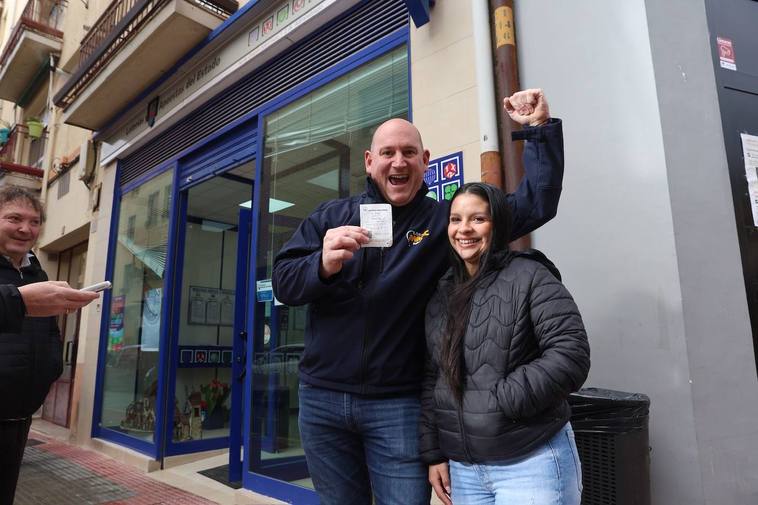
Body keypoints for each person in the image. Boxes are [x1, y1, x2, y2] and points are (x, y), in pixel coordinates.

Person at [272, 89, 563, 504]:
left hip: (398, 405)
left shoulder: (445, 222)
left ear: (425, 161)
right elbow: (283, 282)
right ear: (370, 162)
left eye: (409, 152)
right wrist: (320, 263)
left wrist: (539, 131)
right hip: (321, 401)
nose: (398, 161)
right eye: (387, 152)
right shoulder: (330, 218)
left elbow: (534, 204)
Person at [419, 182, 590, 505]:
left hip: (530, 462)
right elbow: (434, 379)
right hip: (466, 471)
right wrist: (434, 453)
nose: (464, 229)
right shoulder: (442, 294)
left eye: (477, 219)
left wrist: (503, 400)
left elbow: (571, 353)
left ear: (497, 225)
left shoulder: (529, 275)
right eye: (455, 220)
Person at [0, 186, 95, 504]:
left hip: (19, 414)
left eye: (35, 221)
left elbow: (47, 327)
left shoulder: (34, 270)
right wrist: (17, 300)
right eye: (14, 218)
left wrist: (53, 363)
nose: (26, 229)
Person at [0, 281, 99, 332]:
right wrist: (19, 300)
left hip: (41, 367)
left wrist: (54, 361)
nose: (25, 240)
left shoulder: (37, 271)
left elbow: (50, 327)